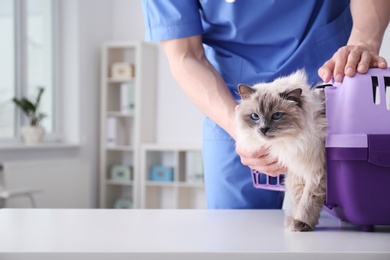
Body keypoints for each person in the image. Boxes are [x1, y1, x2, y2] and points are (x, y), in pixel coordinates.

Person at [142, 0, 390, 209]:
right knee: (238, 237)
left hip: (328, 92)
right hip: (236, 108)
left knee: (342, 227)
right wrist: (240, 130)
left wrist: (363, 43)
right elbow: (184, 55)